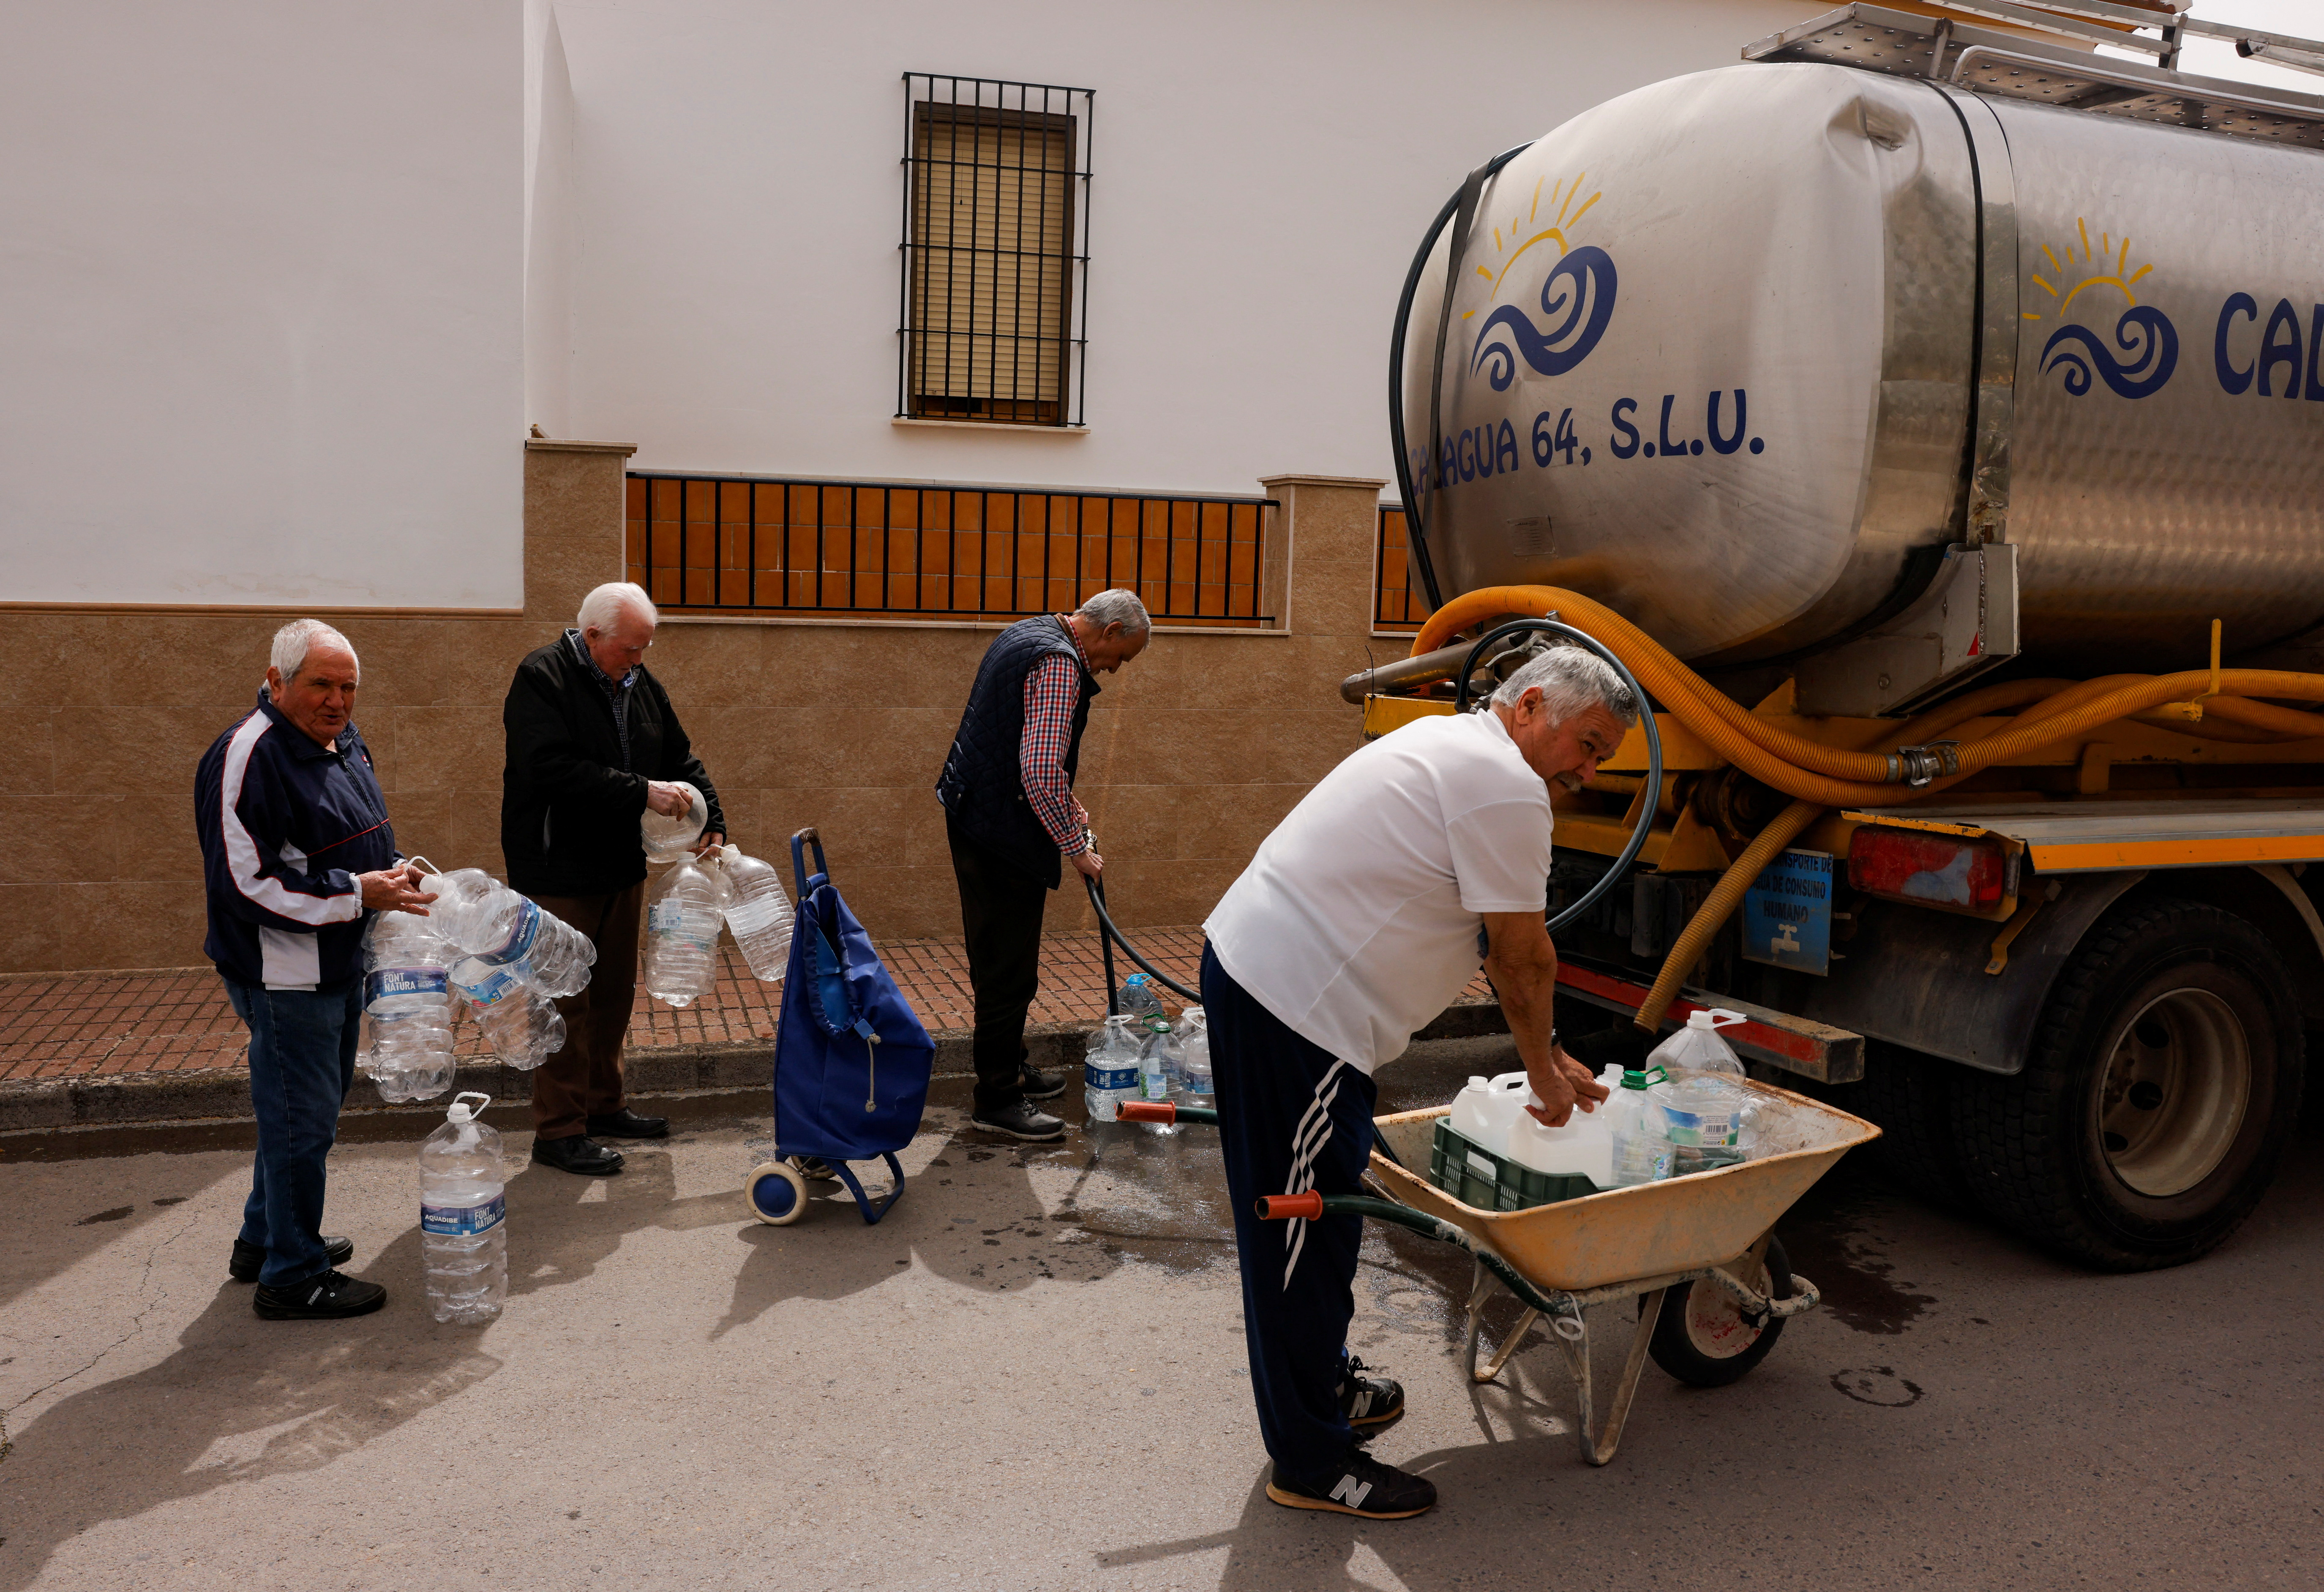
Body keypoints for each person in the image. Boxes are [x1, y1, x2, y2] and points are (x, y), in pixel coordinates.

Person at [1201, 646, 1638, 1518]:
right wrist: (1543, 1076)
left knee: (1324, 1210)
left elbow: (1496, 941)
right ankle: (1311, 1459)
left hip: (1285, 991)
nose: (1586, 772)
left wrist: (1544, 1058)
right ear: (1530, 707)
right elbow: (1520, 958)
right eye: (1584, 744)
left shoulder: (1457, 747)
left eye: (1601, 759)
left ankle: (1322, 1386)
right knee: (1300, 1234)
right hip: (1298, 1008)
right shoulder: (1503, 784)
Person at [195, 619, 436, 1320]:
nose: (338, 700)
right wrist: (360, 892)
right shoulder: (250, 755)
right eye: (321, 685)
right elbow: (243, 884)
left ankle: (266, 1239)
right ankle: (292, 1276)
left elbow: (340, 839)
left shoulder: (338, 741)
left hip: (336, 960)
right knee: (302, 1120)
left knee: (309, 1113)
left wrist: (387, 876)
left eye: (349, 687)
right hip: (286, 974)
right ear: (276, 682)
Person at [501, 582, 725, 1176]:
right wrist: (639, 791)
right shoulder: (542, 677)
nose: (639, 660)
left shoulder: (639, 684)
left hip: (620, 865)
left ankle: (603, 1106)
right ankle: (559, 1131)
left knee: (612, 996)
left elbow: (678, 755)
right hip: (558, 870)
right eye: (630, 649)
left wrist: (712, 817)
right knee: (563, 1003)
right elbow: (548, 768)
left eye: (645, 648)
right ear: (593, 636)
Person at [935, 589, 1152, 1142]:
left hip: (973, 812)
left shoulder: (1028, 632)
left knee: (995, 960)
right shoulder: (1060, 665)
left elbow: (1020, 750)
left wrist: (1069, 808)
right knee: (1009, 971)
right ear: (1109, 633)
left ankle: (1009, 1065)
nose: (1113, 669)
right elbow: (1036, 769)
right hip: (1000, 832)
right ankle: (997, 1099)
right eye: (1121, 657)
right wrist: (1075, 847)